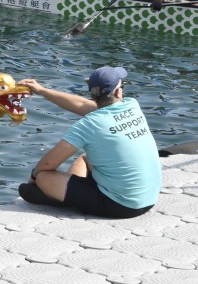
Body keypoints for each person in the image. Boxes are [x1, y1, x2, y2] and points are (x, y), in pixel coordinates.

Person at [17, 67, 161, 219]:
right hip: (149, 198)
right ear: (118, 92)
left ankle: (67, 197)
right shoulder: (132, 106)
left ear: (93, 94)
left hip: (122, 206)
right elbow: (81, 104)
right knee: (85, 157)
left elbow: (47, 165)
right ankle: (69, 192)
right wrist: (42, 91)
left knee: (41, 179)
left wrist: (34, 178)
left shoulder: (89, 124)